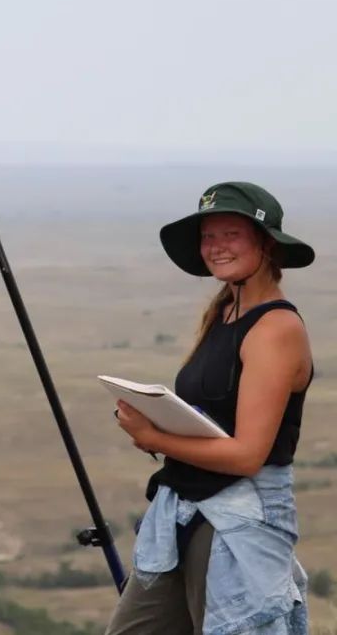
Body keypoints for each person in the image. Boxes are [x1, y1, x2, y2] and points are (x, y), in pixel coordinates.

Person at [105, 182, 312, 635]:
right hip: (185, 508)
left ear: (266, 243)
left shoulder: (276, 328)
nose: (215, 247)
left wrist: (155, 438)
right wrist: (159, 427)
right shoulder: (224, 315)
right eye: (208, 236)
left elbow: (247, 456)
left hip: (237, 520)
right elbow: (214, 425)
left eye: (230, 234)